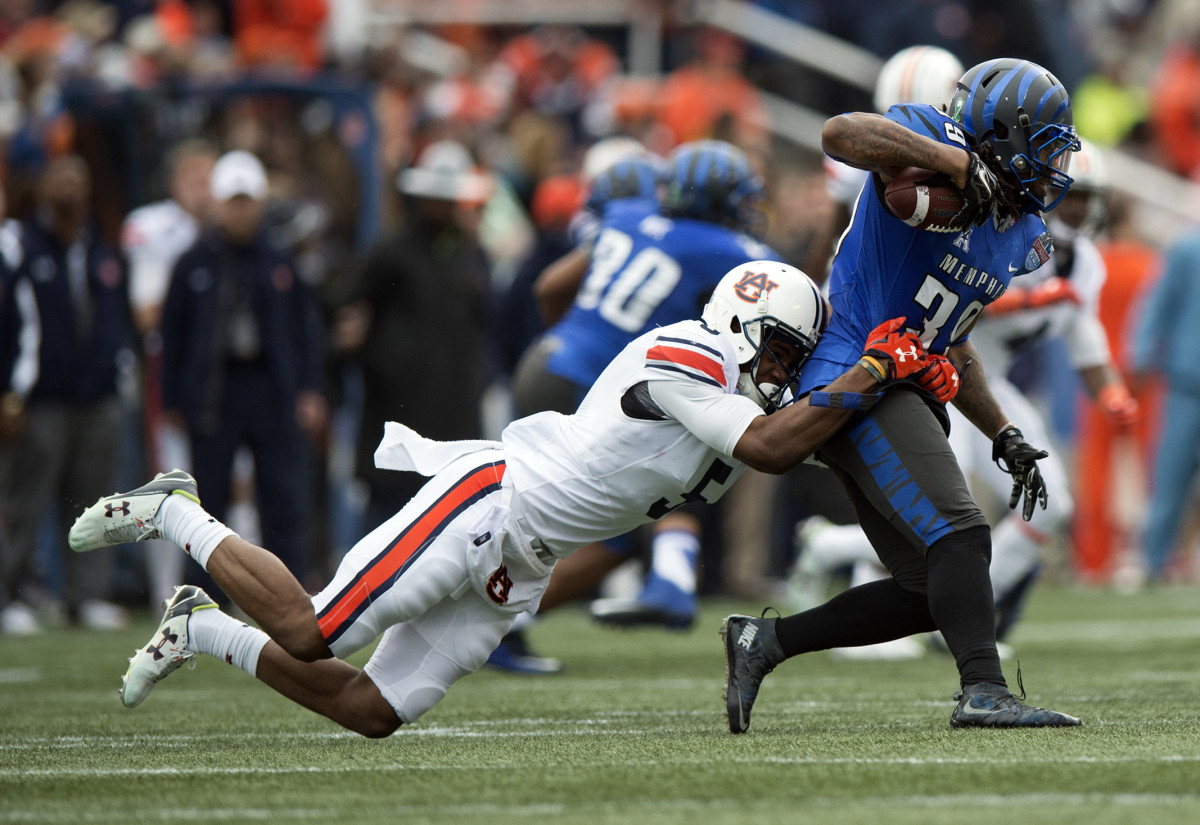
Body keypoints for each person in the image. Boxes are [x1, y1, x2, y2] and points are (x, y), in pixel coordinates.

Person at [70, 262, 938, 736]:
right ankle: (175, 508)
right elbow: (769, 446)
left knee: (372, 710)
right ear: (750, 332)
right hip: (492, 501)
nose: (788, 373)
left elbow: (824, 445)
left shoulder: (750, 394)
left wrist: (916, 397)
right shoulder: (690, 357)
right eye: (786, 354)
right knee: (313, 629)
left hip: (520, 565)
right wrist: (870, 371)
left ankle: (199, 623)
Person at [721, 57, 1084, 731]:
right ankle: (984, 690)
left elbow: (955, 339)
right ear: (1001, 134)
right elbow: (839, 133)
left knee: (929, 590)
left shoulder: (1021, 230)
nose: (1056, 162)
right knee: (963, 532)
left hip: (907, 375)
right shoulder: (925, 145)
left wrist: (1003, 432)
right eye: (1045, 144)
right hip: (855, 369)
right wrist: (950, 162)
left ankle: (763, 642)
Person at [793, 138, 1139, 647]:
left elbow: (1085, 336)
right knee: (934, 514)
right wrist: (1033, 299)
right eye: (1074, 196)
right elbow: (955, 314)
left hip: (987, 388)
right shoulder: (1013, 231)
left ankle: (964, 613)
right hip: (945, 373)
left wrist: (1113, 394)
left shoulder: (1079, 260)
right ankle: (849, 568)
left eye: (1088, 198)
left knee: (1049, 507)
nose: (1079, 207)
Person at [514, 140, 784, 636]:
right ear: (719, 201)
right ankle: (502, 623)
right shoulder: (721, 247)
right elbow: (788, 289)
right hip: (587, 381)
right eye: (741, 199)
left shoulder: (628, 218)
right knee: (662, 480)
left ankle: (665, 585)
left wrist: (572, 337)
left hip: (545, 362)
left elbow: (550, 288)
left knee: (571, 520)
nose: (750, 211)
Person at [161, 149, 327, 591]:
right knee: (207, 499)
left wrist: (309, 390)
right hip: (215, 391)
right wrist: (173, 399)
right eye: (232, 201)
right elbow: (172, 335)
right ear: (217, 203)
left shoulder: (279, 261)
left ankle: (288, 591)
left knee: (282, 496)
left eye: (246, 201)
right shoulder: (194, 261)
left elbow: (303, 331)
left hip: (270, 388)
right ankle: (201, 593)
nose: (240, 210)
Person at [0, 155, 135, 631]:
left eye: (78, 178)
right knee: (26, 500)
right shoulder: (21, 245)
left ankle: (86, 595)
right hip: (43, 395)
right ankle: (10, 593)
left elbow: (119, 315)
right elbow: (14, 322)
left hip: (98, 394)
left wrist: (118, 370)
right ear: (41, 188)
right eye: (60, 177)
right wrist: (11, 390)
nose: (70, 187)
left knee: (94, 502)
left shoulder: (101, 245)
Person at [333, 140, 493, 535]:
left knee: (449, 506)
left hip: (453, 401)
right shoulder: (391, 253)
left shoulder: (470, 255)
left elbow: (481, 322)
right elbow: (348, 308)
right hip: (398, 402)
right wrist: (374, 356)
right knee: (387, 507)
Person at [120, 139, 217, 608]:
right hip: (173, 365)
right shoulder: (154, 227)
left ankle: (225, 588)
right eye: (195, 179)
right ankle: (166, 591)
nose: (205, 190)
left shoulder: (228, 230)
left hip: (224, 369)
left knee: (231, 481)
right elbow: (147, 313)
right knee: (173, 481)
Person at [1129, 214, 1200, 582]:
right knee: (1170, 474)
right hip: (1187, 379)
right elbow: (1156, 303)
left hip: (1185, 373)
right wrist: (1141, 353)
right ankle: (1154, 561)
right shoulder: (1187, 247)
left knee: (1171, 474)